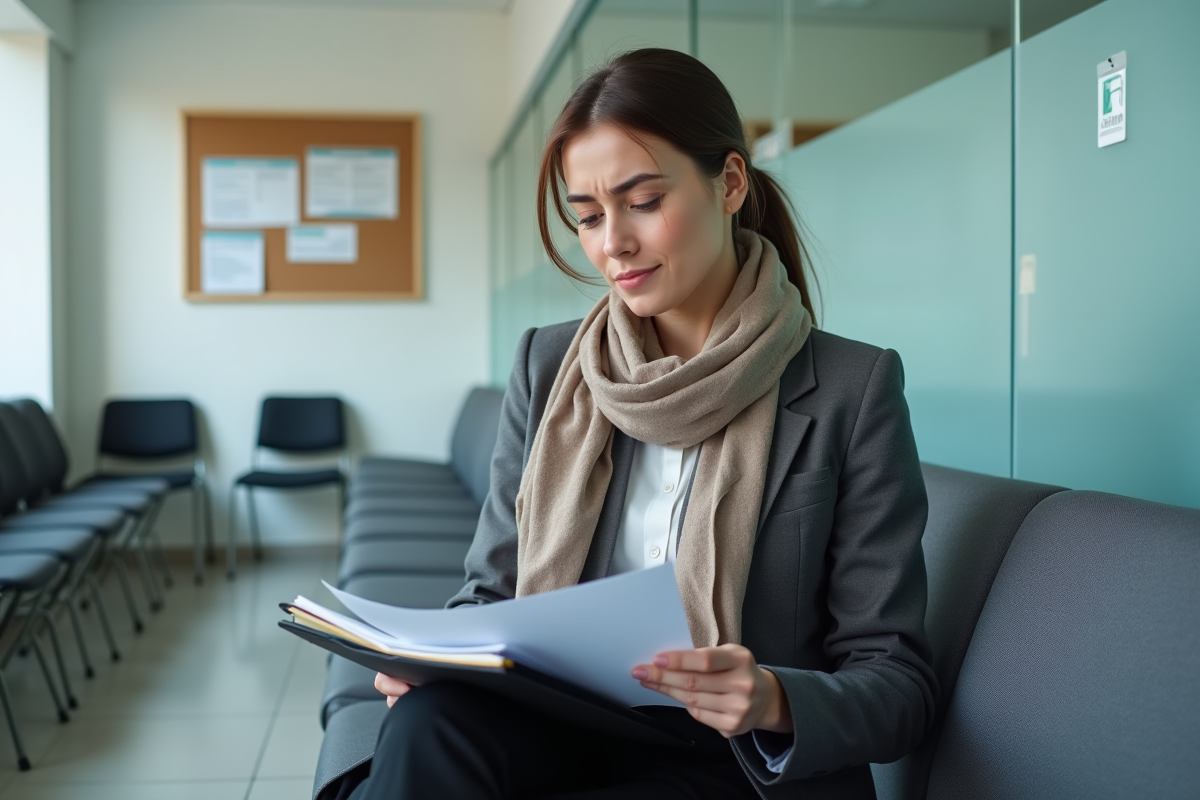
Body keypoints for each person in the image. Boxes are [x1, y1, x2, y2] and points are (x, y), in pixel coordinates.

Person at [333, 47, 936, 800]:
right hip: (564, 725)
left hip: (735, 763)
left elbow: (898, 683)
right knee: (431, 723)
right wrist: (431, 662)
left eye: (643, 201)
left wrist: (773, 697)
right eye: (587, 216)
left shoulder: (852, 387)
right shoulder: (551, 367)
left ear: (730, 184)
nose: (611, 243)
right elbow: (490, 594)